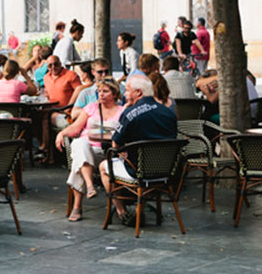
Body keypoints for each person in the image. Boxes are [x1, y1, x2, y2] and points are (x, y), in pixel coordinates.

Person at [99, 75, 178, 225]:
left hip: (137, 172)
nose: (125, 94)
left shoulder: (130, 113)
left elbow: (116, 144)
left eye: (128, 91)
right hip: (165, 170)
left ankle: (121, 211)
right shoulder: (168, 112)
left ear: (139, 93)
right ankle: (139, 210)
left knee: (104, 166)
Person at [55, 79, 124, 221]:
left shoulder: (122, 112)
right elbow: (76, 127)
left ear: (114, 93)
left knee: (78, 162)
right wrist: (62, 133)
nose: (101, 94)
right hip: (88, 148)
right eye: (99, 91)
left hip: (108, 153)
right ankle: (90, 185)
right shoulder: (91, 107)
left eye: (105, 91)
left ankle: (77, 206)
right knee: (80, 144)